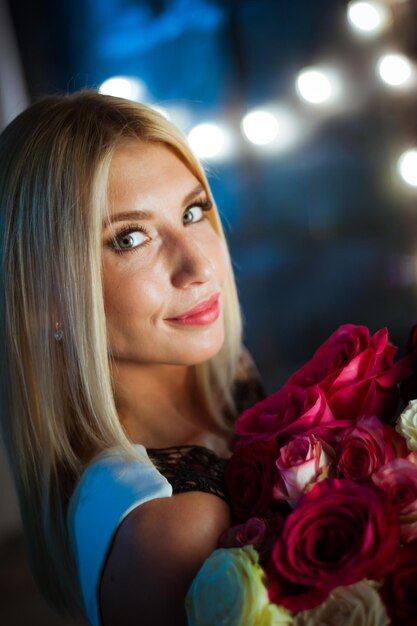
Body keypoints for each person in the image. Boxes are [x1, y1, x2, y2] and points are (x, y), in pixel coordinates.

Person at [0, 91, 266, 626]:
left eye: (193, 211)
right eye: (131, 237)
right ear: (46, 299)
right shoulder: (172, 529)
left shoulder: (226, 369)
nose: (198, 267)